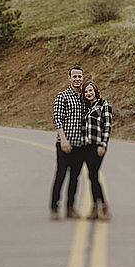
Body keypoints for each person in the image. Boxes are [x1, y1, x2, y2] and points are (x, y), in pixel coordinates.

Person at [50, 66, 85, 220]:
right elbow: (57, 119)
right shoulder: (62, 96)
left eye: (80, 77)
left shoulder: (85, 97)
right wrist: (63, 140)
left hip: (80, 145)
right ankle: (54, 208)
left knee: (75, 177)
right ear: (69, 78)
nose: (77, 79)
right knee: (61, 175)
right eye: (74, 77)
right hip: (65, 144)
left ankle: (70, 207)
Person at [83, 81, 113, 221]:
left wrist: (103, 145)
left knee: (93, 174)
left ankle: (104, 207)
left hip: (97, 145)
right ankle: (95, 208)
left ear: (95, 91)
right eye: (86, 92)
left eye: (90, 90)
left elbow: (107, 127)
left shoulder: (104, 105)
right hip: (86, 146)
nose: (89, 93)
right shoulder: (86, 107)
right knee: (91, 176)